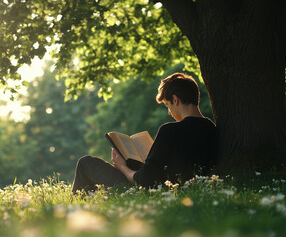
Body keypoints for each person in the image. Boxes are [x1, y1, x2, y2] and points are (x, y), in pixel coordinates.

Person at [71, 72, 217, 193]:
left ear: (175, 99)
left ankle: (73, 214)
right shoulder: (212, 129)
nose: (169, 112)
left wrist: (122, 166)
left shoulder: (170, 130)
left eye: (167, 105)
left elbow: (144, 180)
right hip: (176, 186)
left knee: (86, 163)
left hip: (148, 190)